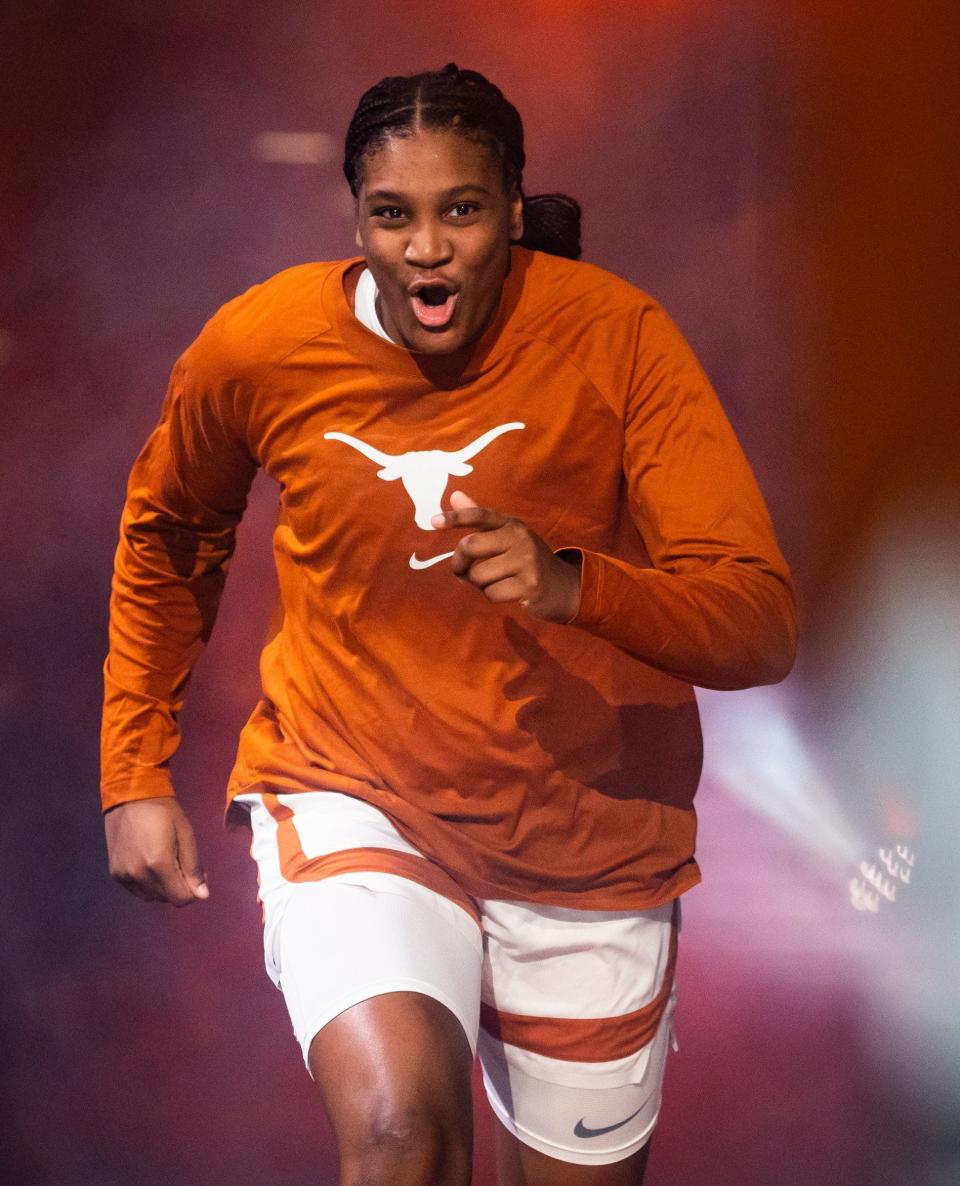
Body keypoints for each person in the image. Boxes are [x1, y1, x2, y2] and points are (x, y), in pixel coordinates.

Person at [101, 64, 797, 1186]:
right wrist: (134, 767)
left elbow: (759, 624)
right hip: (358, 792)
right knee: (398, 1137)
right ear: (357, 221)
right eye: (393, 214)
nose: (426, 247)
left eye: (460, 211)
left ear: (514, 213)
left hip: (589, 845)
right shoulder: (261, 346)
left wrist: (576, 584)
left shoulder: (619, 340)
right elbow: (173, 529)